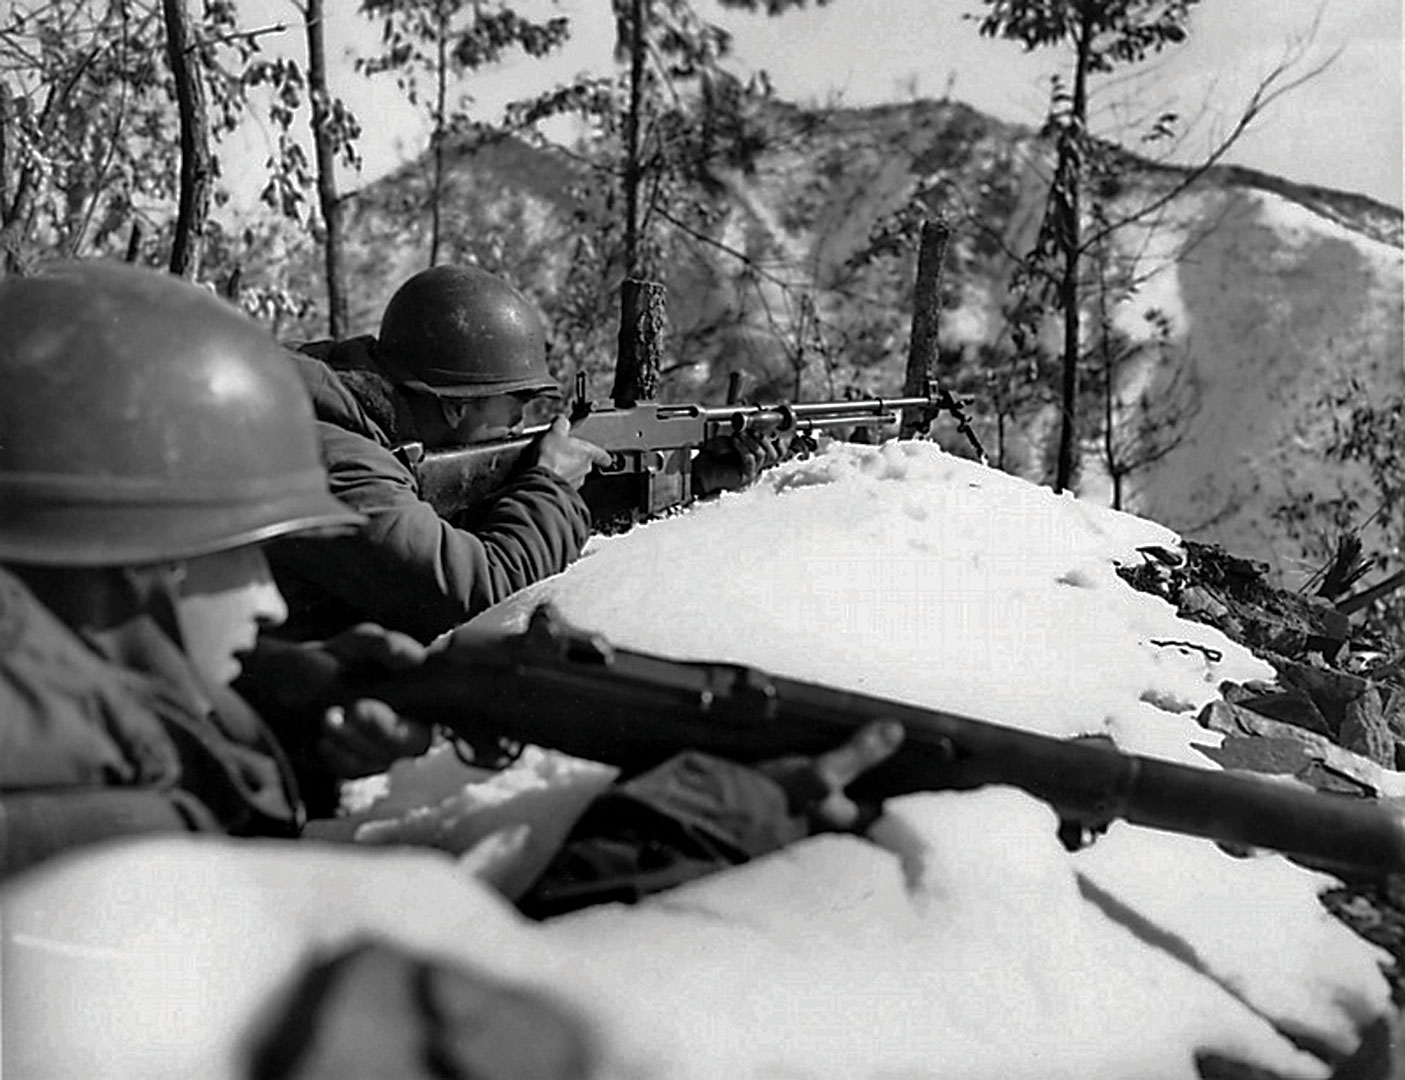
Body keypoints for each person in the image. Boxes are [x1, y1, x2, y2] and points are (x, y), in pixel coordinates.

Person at [0, 260, 900, 898]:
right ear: (113, 559)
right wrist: (690, 826)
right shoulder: (102, 840)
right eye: (239, 550)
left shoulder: (91, 763)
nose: (269, 593)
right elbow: (417, 1020)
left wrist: (292, 725)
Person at [266, 264, 778, 645]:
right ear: (452, 408)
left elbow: (456, 527)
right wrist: (550, 485)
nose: (520, 422)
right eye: (517, 402)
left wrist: (694, 477)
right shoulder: (332, 460)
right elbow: (480, 596)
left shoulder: (361, 428)